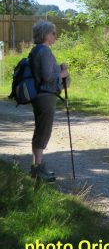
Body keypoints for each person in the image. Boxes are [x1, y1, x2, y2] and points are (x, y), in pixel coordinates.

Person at [29, 21, 70, 182]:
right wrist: (63, 73)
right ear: (45, 34)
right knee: (43, 131)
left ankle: (37, 166)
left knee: (41, 129)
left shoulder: (37, 50)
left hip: (41, 95)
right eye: (53, 33)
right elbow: (46, 76)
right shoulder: (44, 51)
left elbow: (45, 72)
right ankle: (38, 168)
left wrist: (58, 68)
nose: (55, 36)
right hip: (45, 96)